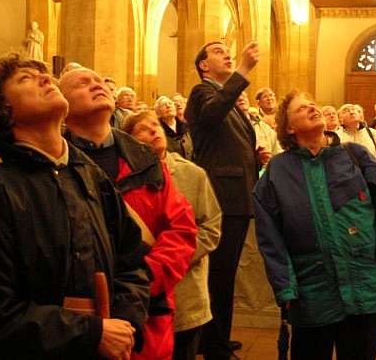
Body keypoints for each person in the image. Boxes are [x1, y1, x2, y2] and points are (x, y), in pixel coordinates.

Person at [0, 53, 150, 358]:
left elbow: (131, 260)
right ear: (4, 111)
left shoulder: (91, 177)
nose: (47, 79)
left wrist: (125, 320)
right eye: (26, 78)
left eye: (44, 74)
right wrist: (89, 333)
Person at [253, 90, 376, 360]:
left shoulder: (355, 156)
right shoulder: (278, 171)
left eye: (313, 104)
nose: (312, 108)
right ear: (289, 127)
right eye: (301, 109)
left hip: (366, 286)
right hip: (313, 295)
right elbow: (270, 237)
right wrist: (285, 287)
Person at [60, 67, 198, 360]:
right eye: (82, 84)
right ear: (62, 106)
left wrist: (144, 277)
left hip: (146, 315)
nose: (96, 84)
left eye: (99, 80)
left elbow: (181, 229)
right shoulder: (55, 166)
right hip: (80, 320)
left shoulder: (145, 160)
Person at [186, 41, 271, 360]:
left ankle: (217, 339)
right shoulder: (200, 92)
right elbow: (210, 116)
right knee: (217, 277)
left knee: (224, 276)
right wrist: (244, 69)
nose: (227, 54)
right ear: (204, 65)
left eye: (228, 51)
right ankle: (213, 347)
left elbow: (226, 142)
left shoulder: (227, 98)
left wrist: (254, 157)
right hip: (221, 196)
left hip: (235, 195)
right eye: (218, 51)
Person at [121, 112, 222, 360]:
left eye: (156, 125)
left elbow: (211, 227)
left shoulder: (193, 174)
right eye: (143, 129)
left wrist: (178, 255)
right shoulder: (122, 178)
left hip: (186, 289)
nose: (154, 131)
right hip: (144, 292)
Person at [336, 103, 376, 170]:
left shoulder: (374, 135)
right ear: (340, 121)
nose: (352, 112)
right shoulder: (335, 138)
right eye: (346, 111)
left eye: (353, 109)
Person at [236, 91, 283, 156]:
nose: (241, 98)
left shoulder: (264, 127)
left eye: (244, 96)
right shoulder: (229, 128)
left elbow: (278, 153)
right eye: (236, 96)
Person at [155, 96, 194, 160]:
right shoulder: (158, 132)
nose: (168, 106)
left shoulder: (186, 127)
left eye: (170, 103)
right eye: (164, 105)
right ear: (158, 114)